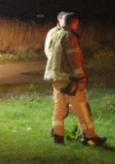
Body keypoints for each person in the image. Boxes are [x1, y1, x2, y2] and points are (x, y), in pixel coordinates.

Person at [44, 12, 106, 146]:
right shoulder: (70, 37)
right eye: (76, 23)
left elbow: (49, 53)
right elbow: (74, 60)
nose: (77, 26)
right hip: (70, 80)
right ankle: (90, 136)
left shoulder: (54, 35)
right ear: (72, 23)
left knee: (59, 107)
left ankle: (58, 135)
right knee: (82, 107)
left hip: (56, 79)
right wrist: (81, 78)